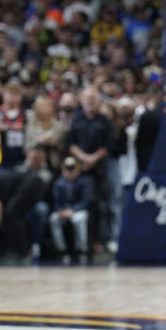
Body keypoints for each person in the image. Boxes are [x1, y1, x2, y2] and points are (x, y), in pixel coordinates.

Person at [66, 86, 112, 254]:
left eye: (93, 97)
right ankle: (78, 245)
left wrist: (93, 158)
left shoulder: (104, 121)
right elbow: (70, 143)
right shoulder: (76, 120)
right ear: (81, 100)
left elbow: (108, 145)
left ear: (99, 100)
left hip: (99, 170)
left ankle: (97, 241)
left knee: (98, 206)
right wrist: (84, 157)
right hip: (79, 170)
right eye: (87, 97)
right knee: (80, 206)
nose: (90, 100)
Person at [48, 156, 92, 264]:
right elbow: (55, 201)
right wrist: (60, 210)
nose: (70, 171)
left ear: (78, 169)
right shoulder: (59, 183)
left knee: (78, 220)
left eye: (72, 168)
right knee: (53, 219)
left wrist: (73, 210)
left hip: (78, 210)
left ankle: (81, 250)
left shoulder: (83, 182)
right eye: (68, 169)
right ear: (63, 169)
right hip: (63, 211)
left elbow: (86, 201)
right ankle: (62, 250)